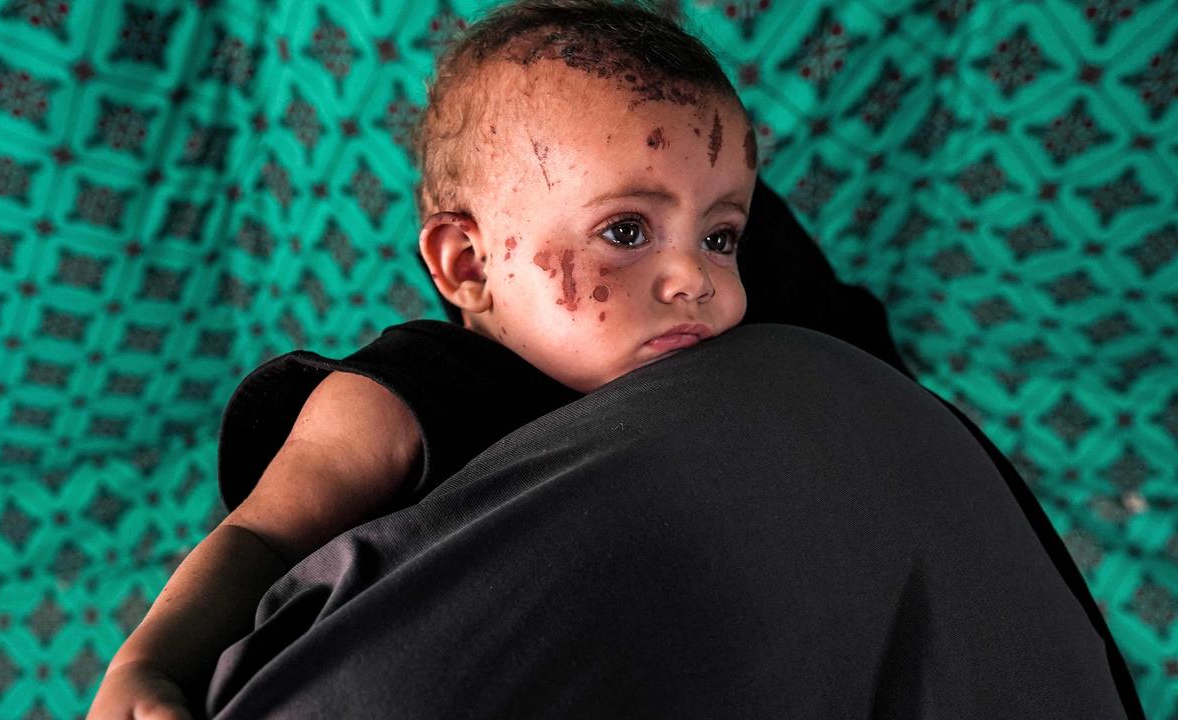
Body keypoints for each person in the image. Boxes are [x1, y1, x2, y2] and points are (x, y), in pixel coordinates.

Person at [89, 2, 1145, 718]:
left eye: (722, 236)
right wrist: (148, 664)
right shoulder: (405, 394)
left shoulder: (731, 377)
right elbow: (260, 535)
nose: (694, 279)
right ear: (466, 262)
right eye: (626, 234)